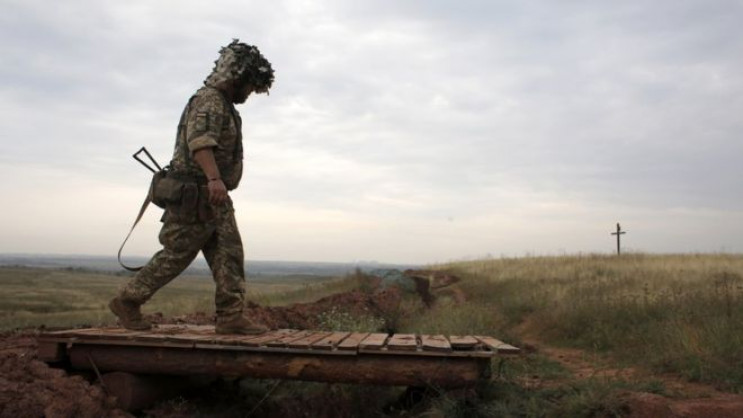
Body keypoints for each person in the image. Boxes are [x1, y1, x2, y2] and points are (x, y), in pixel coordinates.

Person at [109, 40, 274, 334]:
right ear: (235, 77)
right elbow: (200, 144)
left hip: (213, 196)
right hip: (198, 195)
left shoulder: (223, 105)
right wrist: (213, 179)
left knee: (229, 253)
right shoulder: (209, 101)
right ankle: (127, 300)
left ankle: (231, 316)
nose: (249, 93)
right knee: (177, 254)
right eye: (249, 86)